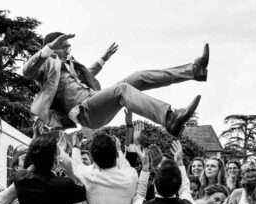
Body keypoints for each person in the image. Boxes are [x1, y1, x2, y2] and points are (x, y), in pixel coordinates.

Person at [23, 32, 208, 137]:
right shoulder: (46, 66)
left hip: (94, 101)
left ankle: (193, 71)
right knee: (123, 90)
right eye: (65, 46)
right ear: (54, 46)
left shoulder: (69, 65)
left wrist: (103, 59)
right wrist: (47, 50)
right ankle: (169, 119)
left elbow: (87, 75)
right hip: (83, 112)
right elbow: (26, 72)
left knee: (137, 77)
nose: (69, 49)